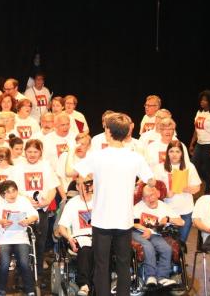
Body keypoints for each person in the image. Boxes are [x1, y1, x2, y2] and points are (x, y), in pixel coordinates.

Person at [73, 112, 156, 296]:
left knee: (102, 264)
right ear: (127, 133)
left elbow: (77, 173)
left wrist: (84, 175)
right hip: (124, 220)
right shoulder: (135, 157)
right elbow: (151, 181)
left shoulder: (97, 156)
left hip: (102, 219)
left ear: (108, 131)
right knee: (123, 263)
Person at [11, 139, 59, 275]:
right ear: (25, 152)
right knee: (23, 244)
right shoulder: (18, 167)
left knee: (40, 242)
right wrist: (26, 199)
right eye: (29, 151)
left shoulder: (46, 166)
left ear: (40, 152)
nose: (32, 154)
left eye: (35, 152)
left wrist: (47, 201)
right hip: (23, 211)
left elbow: (53, 188)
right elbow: (12, 189)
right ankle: (23, 276)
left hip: (41, 210)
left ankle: (38, 275)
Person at [0, 180, 39, 296]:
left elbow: (35, 215)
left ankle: (30, 290)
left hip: (20, 237)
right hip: (3, 237)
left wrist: (28, 221)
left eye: (13, 191)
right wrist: (0, 221)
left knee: (24, 263)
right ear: (2, 194)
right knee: (4, 263)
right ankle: (1, 290)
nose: (12, 194)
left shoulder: (23, 200)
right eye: (7, 192)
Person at [132, 186, 182, 288]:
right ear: (142, 198)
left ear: (158, 194)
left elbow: (181, 222)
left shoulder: (164, 206)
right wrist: (146, 229)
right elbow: (134, 222)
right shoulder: (138, 207)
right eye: (146, 196)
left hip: (155, 234)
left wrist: (168, 219)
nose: (150, 198)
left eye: (152, 194)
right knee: (148, 246)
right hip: (138, 232)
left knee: (166, 249)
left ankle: (162, 277)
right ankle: (150, 276)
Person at [153, 140, 201, 243]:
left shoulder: (189, 166)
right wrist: (166, 194)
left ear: (182, 154)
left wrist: (185, 188)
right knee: (167, 243)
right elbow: (154, 190)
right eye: (171, 151)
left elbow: (197, 187)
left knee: (181, 243)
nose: (174, 154)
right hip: (166, 211)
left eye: (177, 151)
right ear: (167, 153)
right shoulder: (159, 168)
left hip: (185, 210)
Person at [56, 177, 95, 296]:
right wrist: (69, 238)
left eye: (86, 184)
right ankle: (84, 284)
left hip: (100, 236)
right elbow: (61, 227)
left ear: (92, 186)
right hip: (80, 237)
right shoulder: (72, 204)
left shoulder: (100, 201)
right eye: (80, 185)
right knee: (85, 249)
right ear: (77, 187)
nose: (84, 187)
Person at [189, 90, 210, 194]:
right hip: (200, 143)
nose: (202, 102)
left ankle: (208, 191)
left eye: (205, 100)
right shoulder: (199, 112)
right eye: (201, 100)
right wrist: (191, 144)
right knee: (193, 166)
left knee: (206, 169)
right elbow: (196, 130)